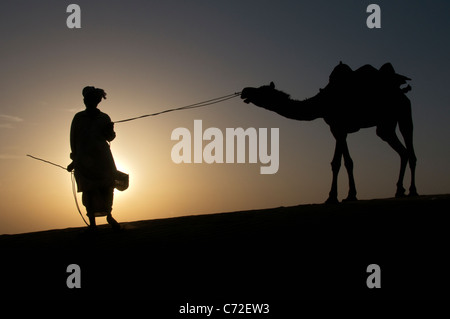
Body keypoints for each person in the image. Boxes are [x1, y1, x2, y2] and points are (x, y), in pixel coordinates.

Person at [67, 86, 121, 231]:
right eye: (86, 99)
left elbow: (110, 137)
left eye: (91, 99)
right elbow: (73, 140)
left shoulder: (104, 118)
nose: (88, 101)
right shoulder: (78, 118)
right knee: (89, 189)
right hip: (84, 161)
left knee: (107, 187)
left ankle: (109, 215)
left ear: (96, 101)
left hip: (103, 159)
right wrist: (75, 160)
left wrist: (110, 130)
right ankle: (92, 224)